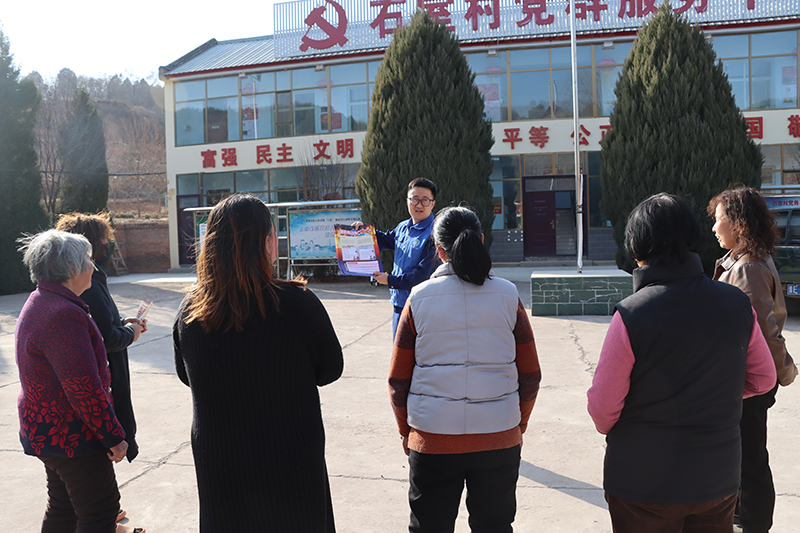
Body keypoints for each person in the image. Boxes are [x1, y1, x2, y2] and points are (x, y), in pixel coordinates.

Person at [587, 193, 776, 533]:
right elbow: (763, 379)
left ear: (637, 250)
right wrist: (717, 395)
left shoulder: (631, 315)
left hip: (642, 483)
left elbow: (603, 411)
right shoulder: (736, 304)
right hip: (717, 480)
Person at [173, 194, 344, 532]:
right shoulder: (297, 304)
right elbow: (330, 370)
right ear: (267, 242)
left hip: (221, 464)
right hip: (290, 461)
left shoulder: (191, 312)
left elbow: (185, 375)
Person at [388, 206, 542, 533]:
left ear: (439, 250)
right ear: (481, 240)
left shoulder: (418, 299)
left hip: (432, 438)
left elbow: (398, 380)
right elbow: (530, 375)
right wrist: (518, 424)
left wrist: (406, 431)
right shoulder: (508, 295)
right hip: (498, 437)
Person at [15, 229, 145, 533]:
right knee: (100, 514)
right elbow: (83, 389)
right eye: (88, 259)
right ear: (72, 269)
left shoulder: (44, 301)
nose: (94, 266)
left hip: (53, 434)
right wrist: (114, 436)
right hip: (72, 437)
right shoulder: (61, 314)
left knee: (65, 510)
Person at [708, 186, 799, 533]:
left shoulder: (748, 269)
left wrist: (782, 373)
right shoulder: (744, 260)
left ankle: (755, 523)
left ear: (740, 225)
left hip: (748, 383)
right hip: (745, 382)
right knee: (744, 457)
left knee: (750, 461)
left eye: (720, 221)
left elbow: (762, 335)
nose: (715, 229)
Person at [55, 214, 146, 464]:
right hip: (96, 399)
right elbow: (105, 338)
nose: (107, 246)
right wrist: (131, 333)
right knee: (99, 497)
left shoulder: (57, 290)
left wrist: (123, 324)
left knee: (64, 500)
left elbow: (101, 326)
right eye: (104, 241)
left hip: (60, 429)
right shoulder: (87, 284)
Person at [354, 178, 438, 339]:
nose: (419, 205)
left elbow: (422, 276)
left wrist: (390, 280)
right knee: (399, 355)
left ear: (433, 204)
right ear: (407, 201)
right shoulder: (403, 228)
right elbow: (385, 239)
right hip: (399, 304)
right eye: (414, 199)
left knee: (420, 357)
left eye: (425, 200)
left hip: (421, 307)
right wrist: (363, 231)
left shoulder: (434, 234)